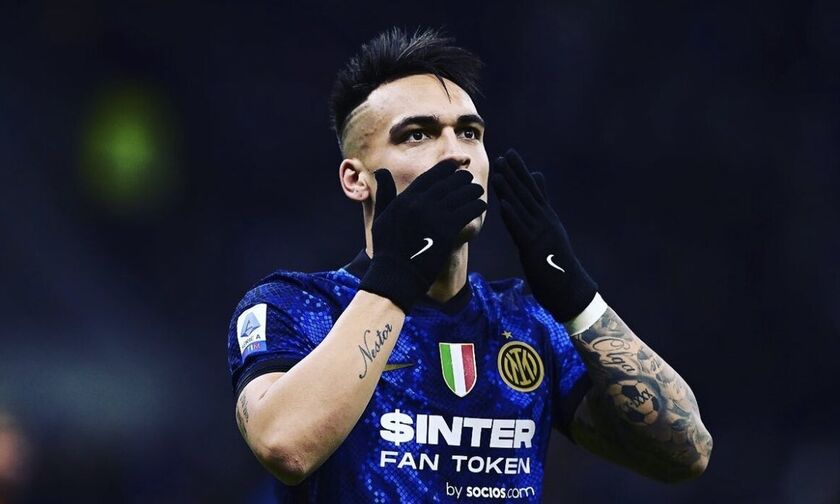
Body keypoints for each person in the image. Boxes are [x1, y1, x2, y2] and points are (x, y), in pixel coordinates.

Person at [227, 27, 712, 502]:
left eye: (468, 132)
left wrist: (578, 298)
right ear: (356, 179)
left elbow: (686, 452)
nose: (456, 153)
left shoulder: (527, 323)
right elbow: (285, 446)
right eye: (417, 135)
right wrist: (398, 275)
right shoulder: (296, 306)